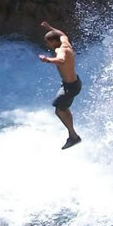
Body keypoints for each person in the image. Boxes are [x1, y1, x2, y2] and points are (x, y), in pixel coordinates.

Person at [38, 19, 82, 149]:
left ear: (53, 41)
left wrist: (47, 60)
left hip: (70, 87)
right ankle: (72, 134)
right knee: (62, 107)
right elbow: (61, 33)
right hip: (74, 83)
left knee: (59, 110)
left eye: (48, 43)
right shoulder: (65, 41)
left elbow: (61, 60)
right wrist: (48, 27)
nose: (48, 45)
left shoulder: (60, 50)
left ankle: (73, 136)